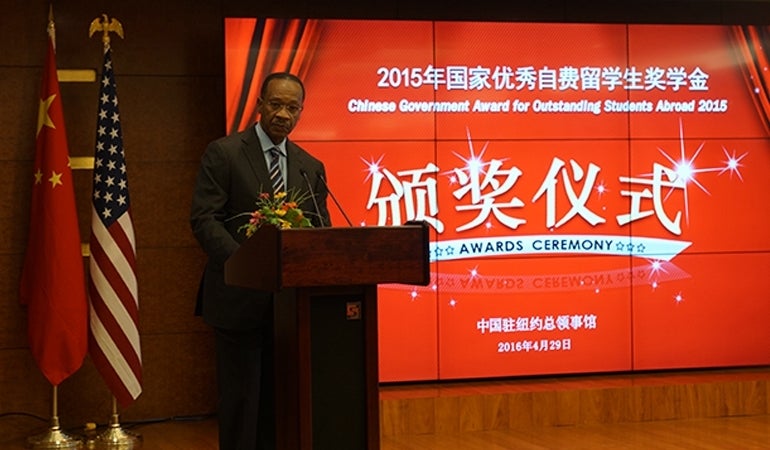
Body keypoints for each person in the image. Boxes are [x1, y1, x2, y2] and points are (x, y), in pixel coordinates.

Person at [190, 72, 331, 450]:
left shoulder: (309, 166)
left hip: (289, 309)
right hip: (239, 299)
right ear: (259, 105)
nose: (283, 114)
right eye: (276, 104)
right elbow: (204, 219)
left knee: (283, 402)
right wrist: (245, 264)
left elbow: (320, 231)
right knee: (242, 402)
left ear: (301, 112)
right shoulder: (225, 153)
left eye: (292, 107)